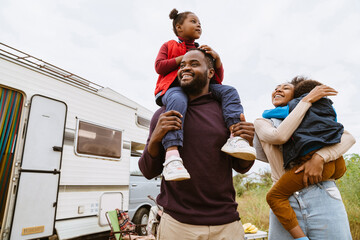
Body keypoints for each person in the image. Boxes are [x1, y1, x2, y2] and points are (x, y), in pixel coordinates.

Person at [140, 49, 255, 240]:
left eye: (194, 64)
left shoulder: (225, 113)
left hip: (226, 224)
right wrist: (156, 138)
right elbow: (148, 171)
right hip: (178, 225)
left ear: (211, 73)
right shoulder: (163, 114)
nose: (185, 68)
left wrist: (247, 141)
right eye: (182, 65)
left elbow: (241, 167)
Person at [154, 8, 256, 181]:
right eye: (193, 21)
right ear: (179, 28)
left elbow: (216, 78)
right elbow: (159, 66)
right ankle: (172, 154)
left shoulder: (202, 49)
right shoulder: (169, 45)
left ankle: (235, 137)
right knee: (179, 99)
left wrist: (217, 59)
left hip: (201, 89)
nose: (198, 25)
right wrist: (183, 58)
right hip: (174, 89)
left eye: (200, 22)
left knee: (229, 91)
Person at [254, 77, 355, 240]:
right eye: (276, 87)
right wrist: (307, 101)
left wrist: (319, 157)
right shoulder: (262, 121)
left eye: (286, 88)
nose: (279, 89)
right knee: (274, 197)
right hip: (286, 197)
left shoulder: (313, 118)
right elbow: (279, 137)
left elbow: (348, 138)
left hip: (322, 192)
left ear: (296, 97)